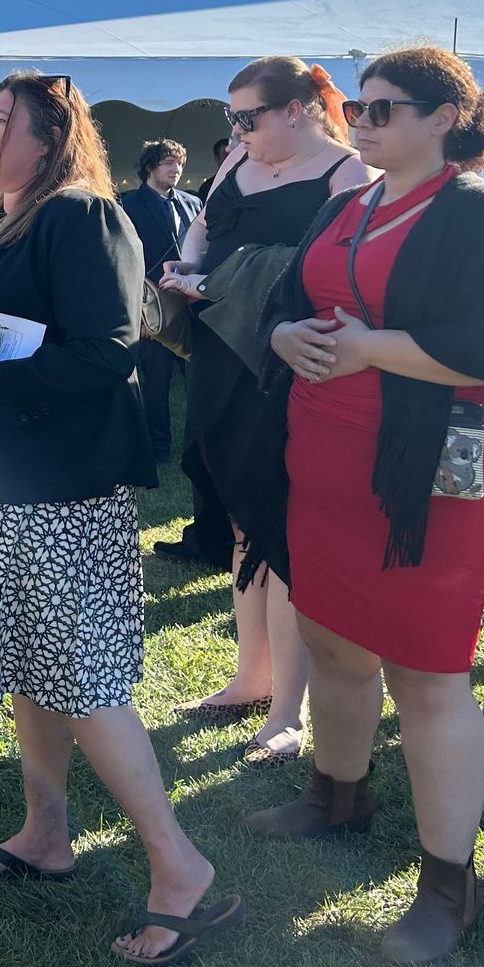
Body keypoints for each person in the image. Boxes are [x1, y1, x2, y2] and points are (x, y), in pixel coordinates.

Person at [0, 71, 242, 967]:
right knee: (29, 661)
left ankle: (179, 866)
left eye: (4, 124)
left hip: (51, 490)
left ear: (48, 143)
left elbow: (110, 348)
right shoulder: (7, 215)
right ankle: (47, 833)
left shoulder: (79, 215)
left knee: (83, 677)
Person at [241, 46, 484, 965]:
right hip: (330, 458)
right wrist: (287, 329)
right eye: (360, 109)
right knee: (335, 638)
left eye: (383, 110)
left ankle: (448, 887)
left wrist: (369, 347)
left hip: (437, 473)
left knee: (428, 671)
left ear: (443, 119)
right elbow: (284, 299)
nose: (364, 123)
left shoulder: (476, 210)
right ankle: (338, 793)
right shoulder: (351, 204)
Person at [156, 58, 370, 766]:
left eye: (247, 117)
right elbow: (202, 229)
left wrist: (216, 275)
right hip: (225, 354)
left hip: (292, 365)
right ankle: (250, 681)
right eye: (231, 119)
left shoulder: (347, 172)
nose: (237, 131)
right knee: (245, 518)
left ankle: (289, 711)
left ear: (298, 110)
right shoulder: (238, 162)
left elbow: (338, 274)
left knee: (285, 528)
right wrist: (185, 269)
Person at [119, 139, 202, 463]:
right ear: (150, 166)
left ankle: (200, 444)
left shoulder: (192, 203)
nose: (176, 169)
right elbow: (127, 259)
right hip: (150, 304)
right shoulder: (129, 204)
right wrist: (136, 313)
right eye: (168, 162)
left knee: (198, 378)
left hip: (190, 303)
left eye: (179, 163)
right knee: (156, 384)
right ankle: (157, 449)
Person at [196, 136, 231, 203]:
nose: (230, 158)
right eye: (226, 155)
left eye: (233, 154)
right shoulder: (207, 187)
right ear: (217, 158)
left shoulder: (246, 182)